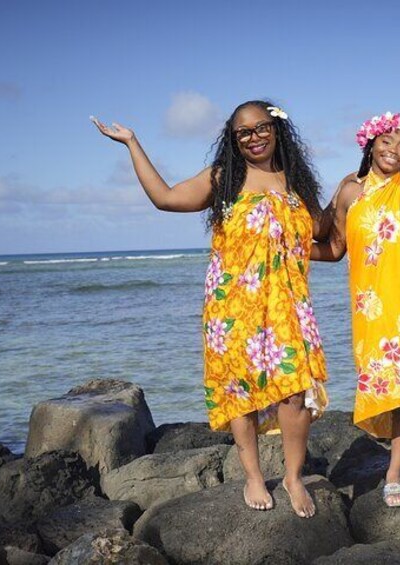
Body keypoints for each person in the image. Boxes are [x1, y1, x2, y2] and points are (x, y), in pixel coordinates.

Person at [92, 100, 328, 518]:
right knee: (240, 392)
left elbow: (322, 236)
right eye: (244, 132)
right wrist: (132, 143)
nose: (254, 137)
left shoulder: (296, 181)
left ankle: (293, 477)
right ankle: (253, 476)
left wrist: (354, 191)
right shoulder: (223, 177)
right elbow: (165, 198)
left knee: (294, 392)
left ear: (276, 129)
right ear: (233, 139)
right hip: (232, 304)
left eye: (261, 128)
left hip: (287, 303)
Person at [312, 112, 400, 507]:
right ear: (370, 144)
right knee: (388, 392)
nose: (394, 150)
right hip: (370, 308)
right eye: (387, 142)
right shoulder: (349, 193)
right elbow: (334, 247)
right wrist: (288, 249)